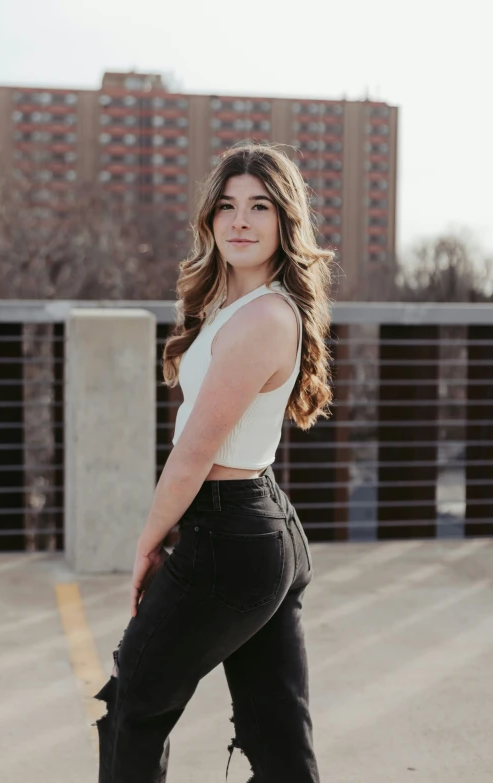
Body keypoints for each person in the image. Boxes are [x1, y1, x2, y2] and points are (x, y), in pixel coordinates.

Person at [94, 142, 335, 782]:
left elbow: (196, 449)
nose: (240, 221)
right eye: (226, 206)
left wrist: (149, 540)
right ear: (209, 218)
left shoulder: (264, 319)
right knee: (278, 734)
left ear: (286, 219)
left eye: (259, 206)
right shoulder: (236, 306)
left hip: (228, 536)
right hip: (257, 525)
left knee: (133, 707)